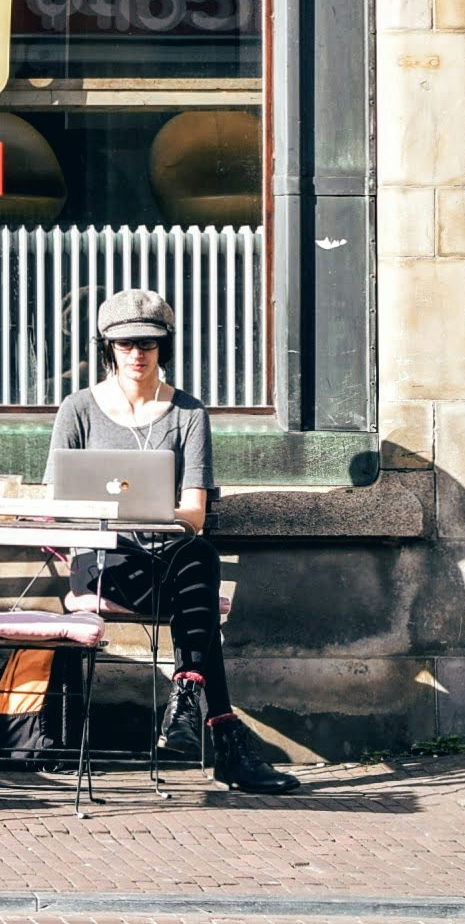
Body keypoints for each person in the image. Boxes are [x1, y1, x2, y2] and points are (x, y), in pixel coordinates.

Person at [47, 286, 299, 794]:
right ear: (106, 347)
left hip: (171, 562)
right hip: (107, 563)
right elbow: (58, 503)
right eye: (124, 344)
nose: (137, 354)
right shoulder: (78, 409)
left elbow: (195, 514)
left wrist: (158, 517)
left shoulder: (187, 414)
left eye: (148, 343)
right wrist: (118, 514)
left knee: (198, 555)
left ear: (165, 346)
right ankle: (219, 730)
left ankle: (188, 695)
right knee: (199, 591)